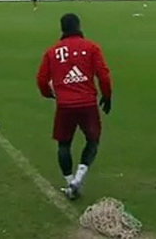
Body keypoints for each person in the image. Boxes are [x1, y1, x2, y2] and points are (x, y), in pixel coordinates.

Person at [36, 13, 112, 200]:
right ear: (78, 26)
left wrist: (49, 94)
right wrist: (107, 96)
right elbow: (103, 75)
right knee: (92, 141)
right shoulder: (91, 47)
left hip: (65, 105)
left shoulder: (52, 51)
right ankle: (78, 178)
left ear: (62, 28)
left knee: (64, 144)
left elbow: (41, 79)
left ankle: (70, 181)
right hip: (88, 104)